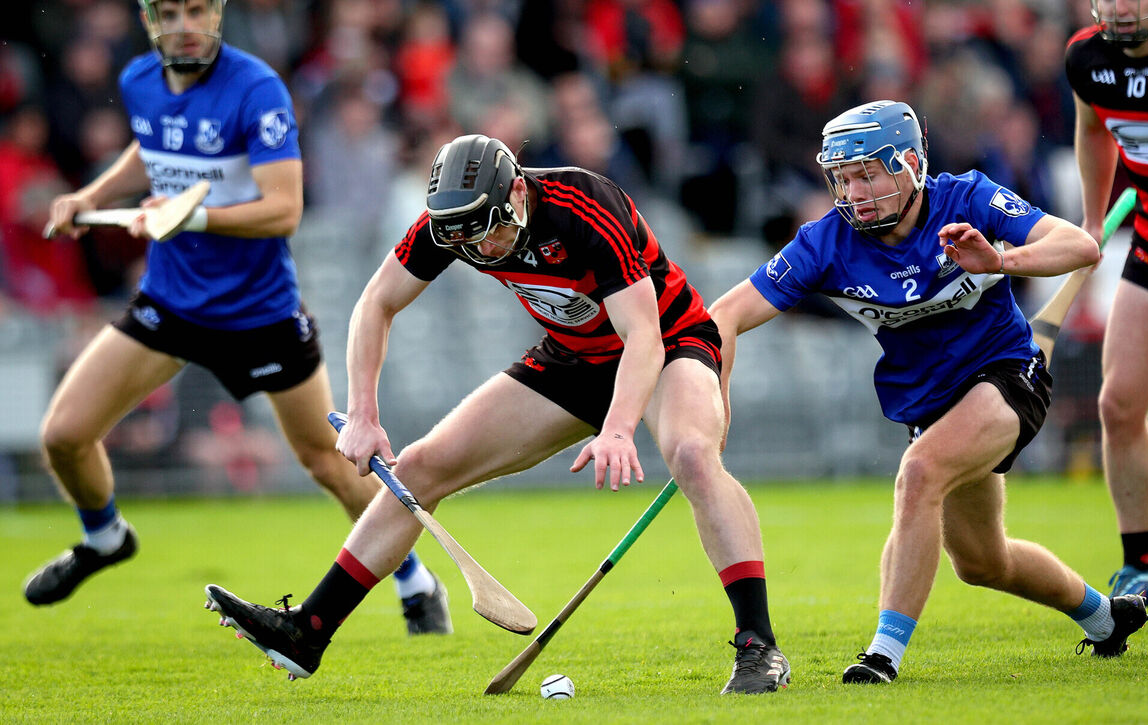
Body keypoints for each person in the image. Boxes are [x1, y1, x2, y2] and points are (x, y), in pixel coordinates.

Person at [202, 133, 789, 695]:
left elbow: (642, 335)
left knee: (691, 455)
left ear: (514, 195)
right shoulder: (449, 226)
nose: (480, 250)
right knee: (420, 467)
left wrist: (617, 429)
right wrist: (362, 412)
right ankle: (309, 630)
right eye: (464, 242)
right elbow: (376, 303)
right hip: (572, 360)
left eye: (487, 234)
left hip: (670, 343)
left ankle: (758, 644)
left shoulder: (584, 206)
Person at [23, 0, 451, 636]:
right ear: (149, 18)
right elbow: (151, 150)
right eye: (170, 11)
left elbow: (283, 210)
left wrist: (186, 215)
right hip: (170, 304)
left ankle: (415, 580)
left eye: (198, 9)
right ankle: (106, 536)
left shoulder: (256, 89)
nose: (185, 24)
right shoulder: (139, 80)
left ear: (217, 14)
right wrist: (89, 197)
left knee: (326, 462)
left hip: (260, 315)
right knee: (62, 436)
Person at [708, 100, 1148, 685]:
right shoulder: (826, 243)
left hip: (1008, 377)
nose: (854, 190)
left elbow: (1079, 247)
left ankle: (881, 658)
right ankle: (1105, 618)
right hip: (936, 407)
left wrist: (1003, 258)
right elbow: (723, 317)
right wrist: (715, 410)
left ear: (911, 162)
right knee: (982, 562)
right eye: (842, 177)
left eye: (868, 172)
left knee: (918, 474)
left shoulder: (968, 198)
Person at [1065, 0, 1148, 608]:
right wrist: (1093, 222)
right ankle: (1140, 565)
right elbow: (1093, 130)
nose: (1121, 6)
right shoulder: (1086, 60)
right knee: (1118, 405)